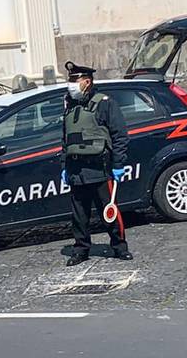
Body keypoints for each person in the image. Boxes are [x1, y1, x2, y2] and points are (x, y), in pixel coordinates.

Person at [61, 61, 132, 267]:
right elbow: (65, 139)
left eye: (75, 80)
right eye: (70, 80)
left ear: (87, 82)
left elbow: (120, 135)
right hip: (76, 169)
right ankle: (81, 249)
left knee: (108, 211)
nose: (71, 84)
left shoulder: (104, 103)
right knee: (79, 214)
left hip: (99, 167)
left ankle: (120, 247)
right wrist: (63, 166)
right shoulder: (68, 104)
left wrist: (118, 164)